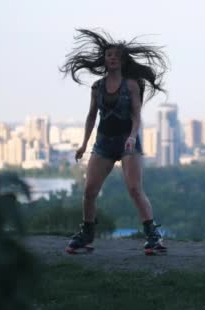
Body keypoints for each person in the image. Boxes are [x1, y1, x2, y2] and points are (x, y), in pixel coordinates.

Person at [60, 29, 168, 255]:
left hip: (128, 142)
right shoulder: (97, 87)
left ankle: (153, 236)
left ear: (122, 59)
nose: (112, 58)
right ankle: (87, 233)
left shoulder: (131, 85)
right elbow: (91, 116)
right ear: (104, 59)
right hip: (103, 143)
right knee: (89, 190)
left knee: (134, 188)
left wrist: (131, 137)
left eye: (116, 55)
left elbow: (137, 115)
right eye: (108, 55)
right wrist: (83, 144)